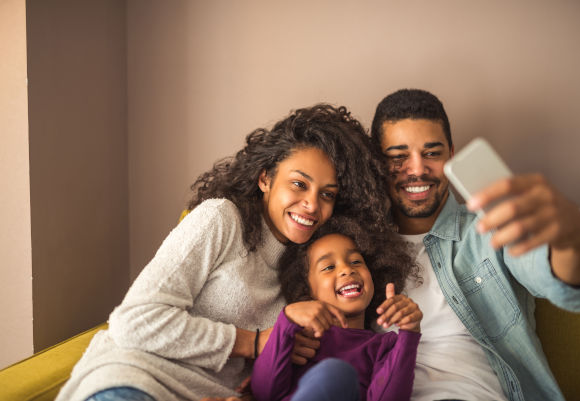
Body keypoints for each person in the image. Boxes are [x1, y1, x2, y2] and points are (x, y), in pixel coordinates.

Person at [56, 104, 391, 401]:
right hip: (138, 381)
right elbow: (133, 322)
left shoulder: (314, 270)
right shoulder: (221, 219)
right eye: (299, 184)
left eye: (327, 194)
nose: (312, 204)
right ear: (265, 179)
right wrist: (254, 342)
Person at [364, 88, 580, 401]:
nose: (417, 169)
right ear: (378, 163)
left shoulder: (491, 227)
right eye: (398, 157)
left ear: (450, 153)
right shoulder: (357, 252)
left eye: (432, 153)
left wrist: (576, 238)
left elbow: (558, 277)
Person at [251, 216, 422, 401]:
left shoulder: (385, 346)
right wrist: (287, 320)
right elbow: (263, 392)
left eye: (356, 262)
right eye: (329, 267)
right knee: (334, 373)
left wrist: (409, 333)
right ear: (307, 290)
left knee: (337, 374)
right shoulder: (299, 339)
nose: (346, 270)